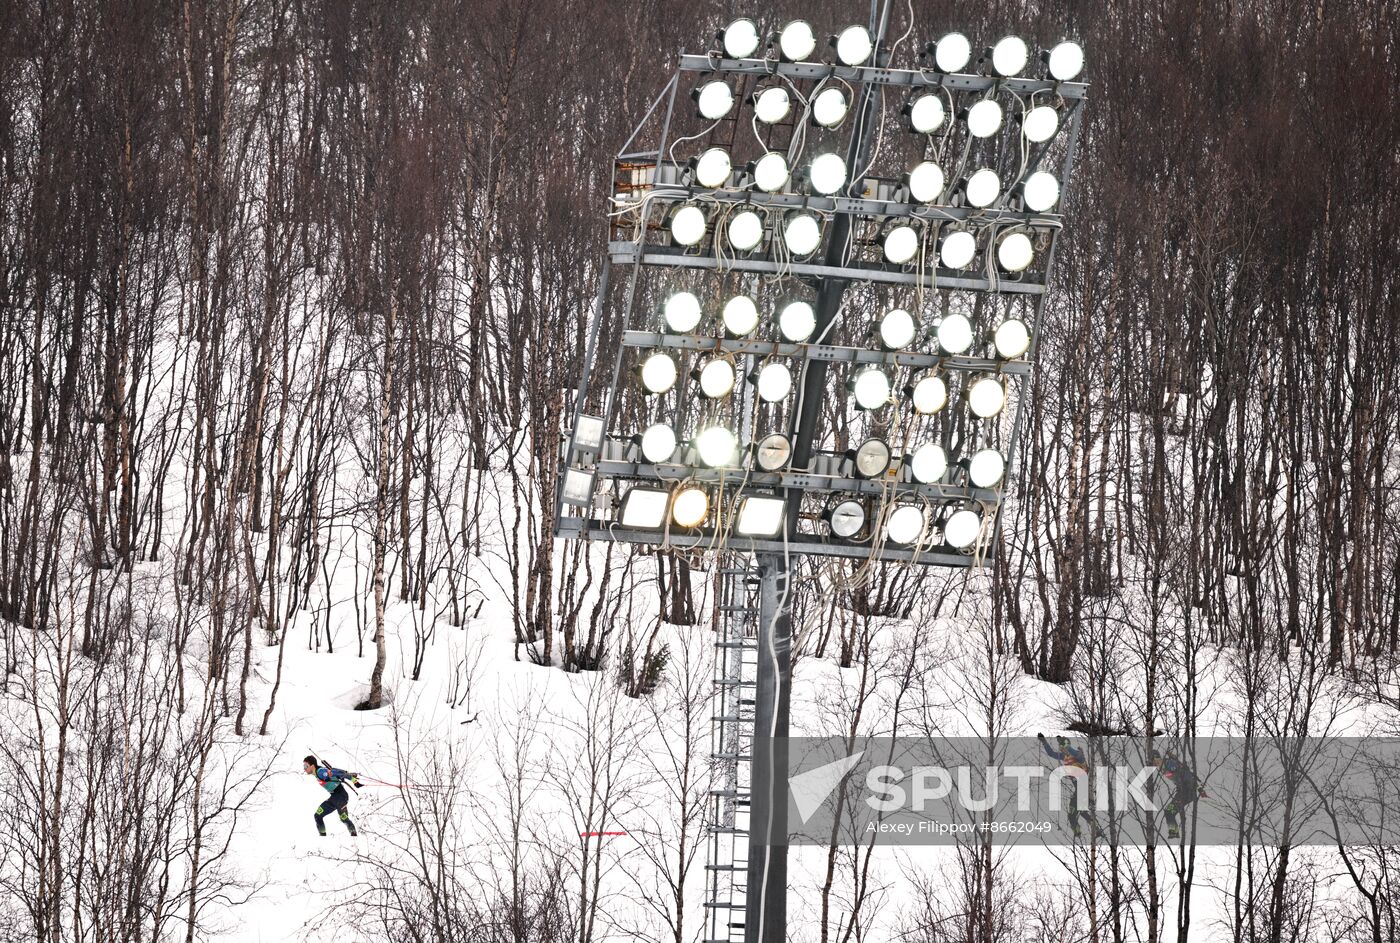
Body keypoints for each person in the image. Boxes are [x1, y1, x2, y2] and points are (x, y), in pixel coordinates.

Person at [1038, 733, 1092, 837]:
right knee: (1072, 814)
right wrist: (1044, 742)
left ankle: (1096, 829)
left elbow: (1073, 752)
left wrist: (1064, 743)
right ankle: (1077, 833)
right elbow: (1051, 753)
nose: (1062, 750)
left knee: (1081, 810)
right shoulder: (1065, 756)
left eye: (1063, 748)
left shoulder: (1078, 754)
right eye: (1062, 749)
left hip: (1083, 785)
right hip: (1078, 787)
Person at [1149, 749, 1202, 840]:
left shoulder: (1168, 763)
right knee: (1169, 812)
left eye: (1153, 761)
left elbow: (1185, 772)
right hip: (1183, 791)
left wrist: (1196, 787)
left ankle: (1174, 832)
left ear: (1156, 758)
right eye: (1152, 762)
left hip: (1186, 791)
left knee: (1169, 812)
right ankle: (1174, 832)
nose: (1153, 764)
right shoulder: (1163, 768)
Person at [304, 755, 361, 837]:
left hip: (341, 797)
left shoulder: (320, 772)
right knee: (318, 816)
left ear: (312, 766)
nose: (304, 768)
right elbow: (332, 773)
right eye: (304, 766)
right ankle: (322, 837)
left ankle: (354, 838)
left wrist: (352, 778)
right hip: (335, 797)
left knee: (344, 819)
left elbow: (333, 772)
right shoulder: (317, 773)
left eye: (306, 766)